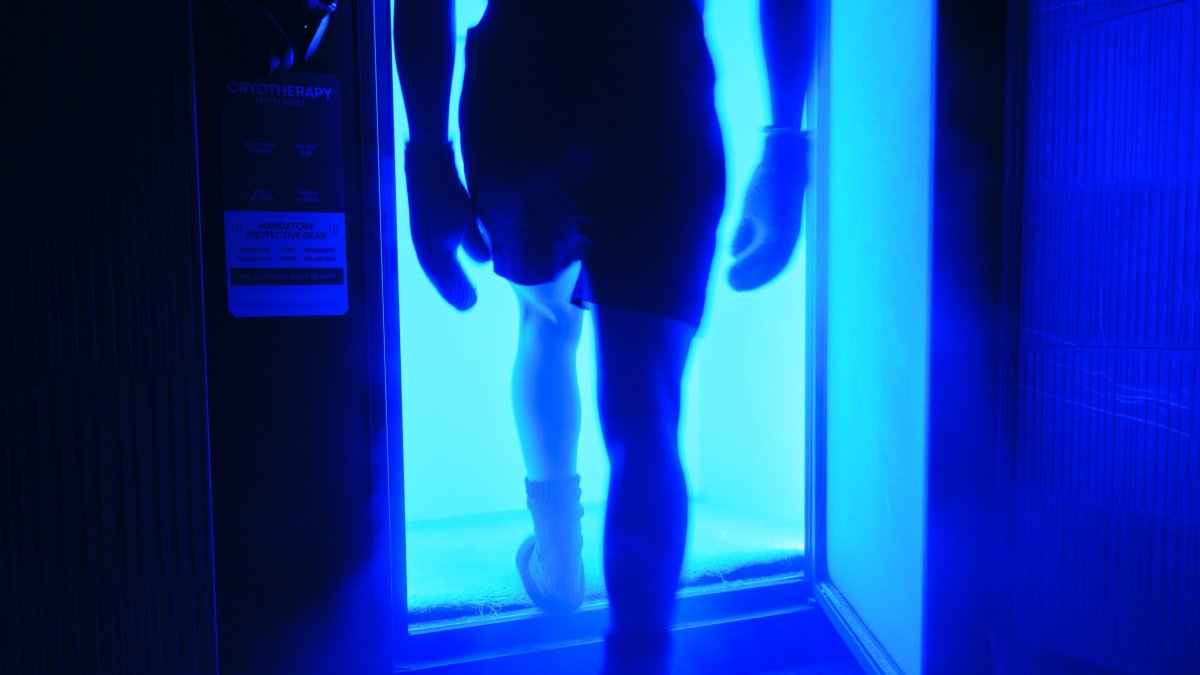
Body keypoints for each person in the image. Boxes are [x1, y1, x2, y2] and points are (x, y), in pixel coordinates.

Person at [395, 1, 813, 672]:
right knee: (645, 405)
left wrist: (425, 155)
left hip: (522, 76)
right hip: (656, 77)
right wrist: (787, 145)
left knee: (547, 319)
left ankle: (559, 554)